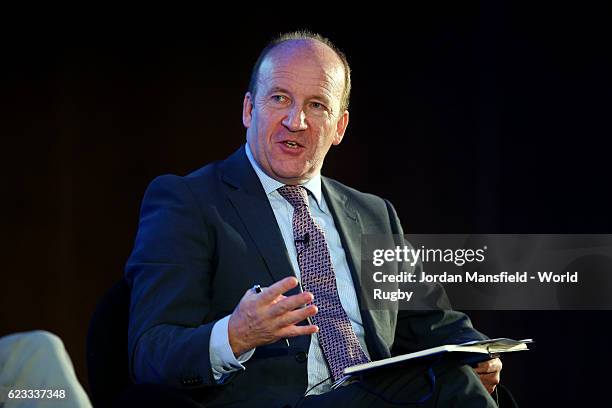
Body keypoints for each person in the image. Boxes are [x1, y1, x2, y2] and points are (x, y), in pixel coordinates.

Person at [125, 31, 502, 407]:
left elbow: (432, 323)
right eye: (279, 98)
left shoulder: (373, 214)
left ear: (340, 127)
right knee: (452, 389)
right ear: (248, 109)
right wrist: (236, 335)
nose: (296, 120)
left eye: (317, 105)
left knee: (461, 380)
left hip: (376, 392)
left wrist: (479, 354)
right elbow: (150, 353)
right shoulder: (190, 202)